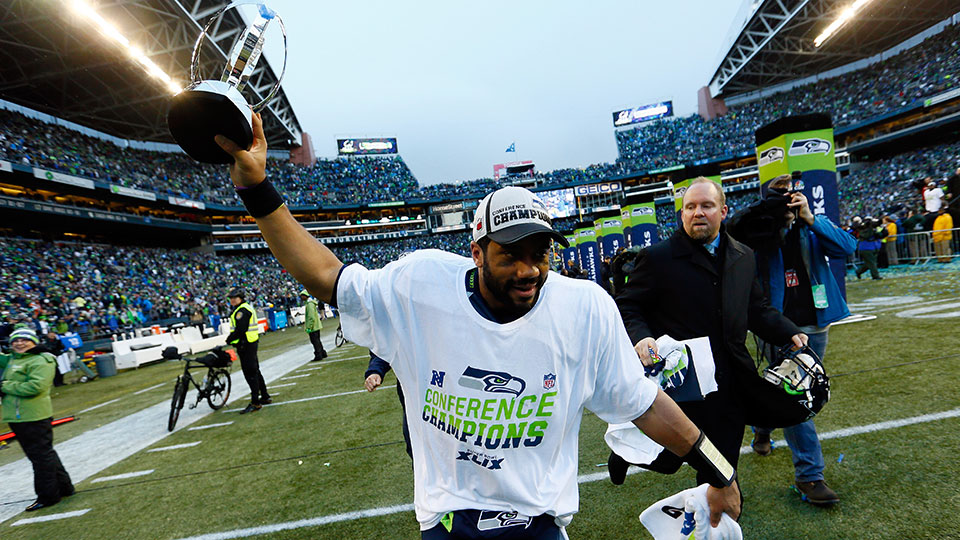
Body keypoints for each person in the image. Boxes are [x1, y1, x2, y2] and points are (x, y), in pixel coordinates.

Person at [215, 115, 740, 539]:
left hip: (539, 523)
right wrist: (258, 188)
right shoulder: (421, 285)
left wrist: (721, 470)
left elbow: (644, 403)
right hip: (449, 520)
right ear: (477, 251)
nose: (528, 268)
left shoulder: (584, 309)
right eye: (510, 254)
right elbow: (327, 276)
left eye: (539, 253)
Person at [614, 178, 807, 493]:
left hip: (730, 381)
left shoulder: (743, 255)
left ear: (724, 211)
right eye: (690, 207)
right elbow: (628, 305)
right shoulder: (659, 257)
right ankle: (626, 453)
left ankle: (719, 513)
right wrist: (641, 336)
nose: (697, 213)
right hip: (682, 384)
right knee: (670, 459)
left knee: (719, 468)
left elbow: (756, 309)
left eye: (706, 206)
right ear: (682, 214)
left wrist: (789, 331)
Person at [731, 174, 856, 506]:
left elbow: (847, 247)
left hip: (816, 323)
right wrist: (769, 219)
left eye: (789, 192)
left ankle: (761, 426)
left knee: (792, 389)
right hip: (779, 326)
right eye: (778, 193)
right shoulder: (759, 230)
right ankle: (810, 475)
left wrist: (810, 219)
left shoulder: (811, 225)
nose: (786, 197)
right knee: (796, 396)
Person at [1, 328, 75, 511]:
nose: (19, 343)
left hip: (32, 415)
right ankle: (65, 487)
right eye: (15, 341)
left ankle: (48, 496)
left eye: (24, 340)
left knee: (40, 457)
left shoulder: (41, 359)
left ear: (34, 341)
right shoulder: (14, 358)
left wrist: (4, 386)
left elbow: (36, 387)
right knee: (45, 453)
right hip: (20, 415)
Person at [225, 288, 271, 414]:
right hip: (250, 342)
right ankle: (265, 396)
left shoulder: (242, 311)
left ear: (240, 298)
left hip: (245, 344)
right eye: (231, 298)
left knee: (250, 373)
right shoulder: (244, 308)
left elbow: (240, 329)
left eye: (234, 298)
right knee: (255, 370)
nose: (232, 300)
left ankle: (255, 402)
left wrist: (229, 340)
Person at [364, 352, 411, 459]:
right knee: (416, 452)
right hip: (413, 401)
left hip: (450, 395)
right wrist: (375, 371)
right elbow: (387, 345)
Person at [300, 290, 328, 362]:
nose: (301, 297)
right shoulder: (310, 303)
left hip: (313, 326)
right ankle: (322, 353)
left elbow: (311, 317)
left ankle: (318, 355)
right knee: (317, 340)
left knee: (315, 341)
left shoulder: (309, 304)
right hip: (316, 325)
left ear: (305, 296)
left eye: (302, 296)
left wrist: (309, 327)